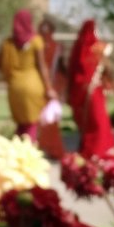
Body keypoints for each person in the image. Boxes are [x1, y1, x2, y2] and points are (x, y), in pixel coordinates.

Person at [0, 9, 56, 142]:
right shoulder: (36, 41)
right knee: (32, 123)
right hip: (33, 85)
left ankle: (18, 152)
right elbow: (42, 67)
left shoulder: (8, 43)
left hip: (14, 86)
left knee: (21, 124)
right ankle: (28, 153)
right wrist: (49, 88)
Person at [67, 19, 114, 159]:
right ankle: (96, 151)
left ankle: (101, 149)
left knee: (98, 121)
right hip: (90, 91)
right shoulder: (86, 49)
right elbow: (80, 70)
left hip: (93, 90)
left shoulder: (93, 48)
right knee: (96, 121)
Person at [36, 18, 66, 159]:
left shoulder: (38, 45)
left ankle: (47, 146)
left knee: (47, 118)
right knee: (46, 119)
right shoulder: (40, 45)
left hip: (44, 85)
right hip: (49, 85)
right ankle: (46, 146)